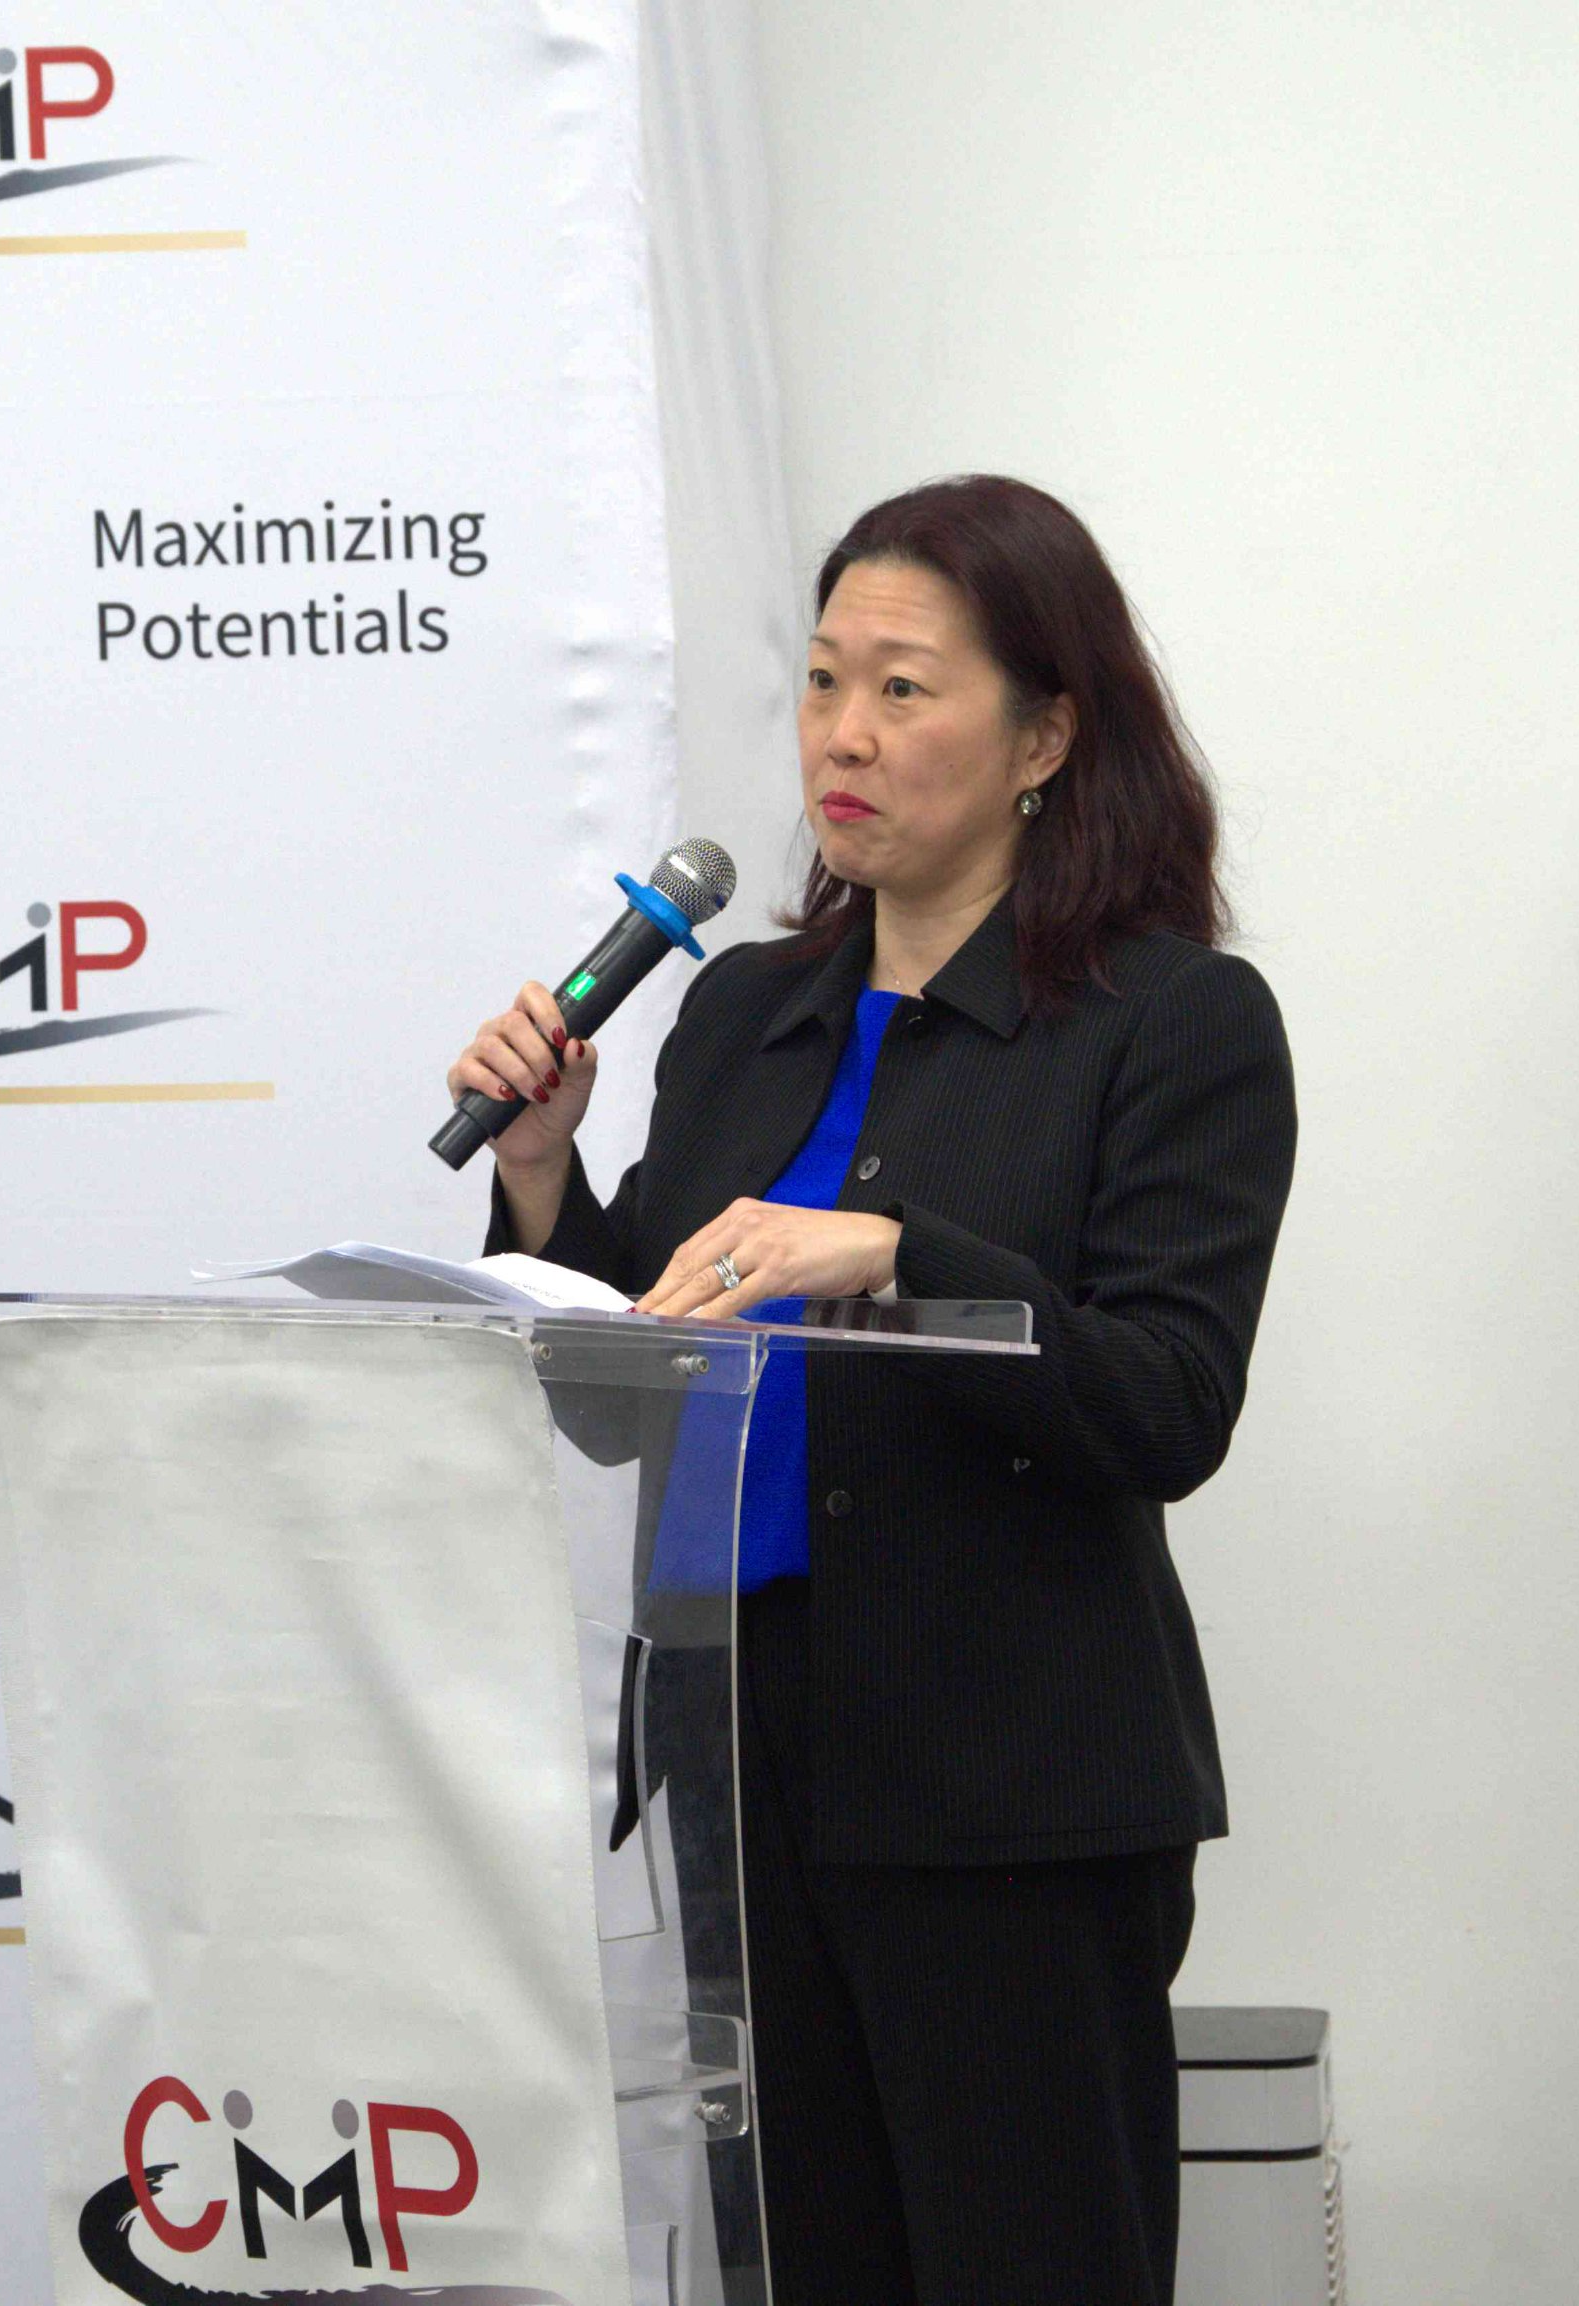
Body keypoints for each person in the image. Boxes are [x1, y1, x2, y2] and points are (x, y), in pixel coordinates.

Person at [445, 474, 1297, 2302]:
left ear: (1046, 736)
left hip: (1008, 1792)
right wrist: (541, 1176)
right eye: (825, 681)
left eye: (904, 689)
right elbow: (627, 1384)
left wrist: (899, 1251)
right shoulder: (742, 1009)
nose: (843, 734)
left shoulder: (1172, 1022)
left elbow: (1169, 1398)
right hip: (742, 1769)